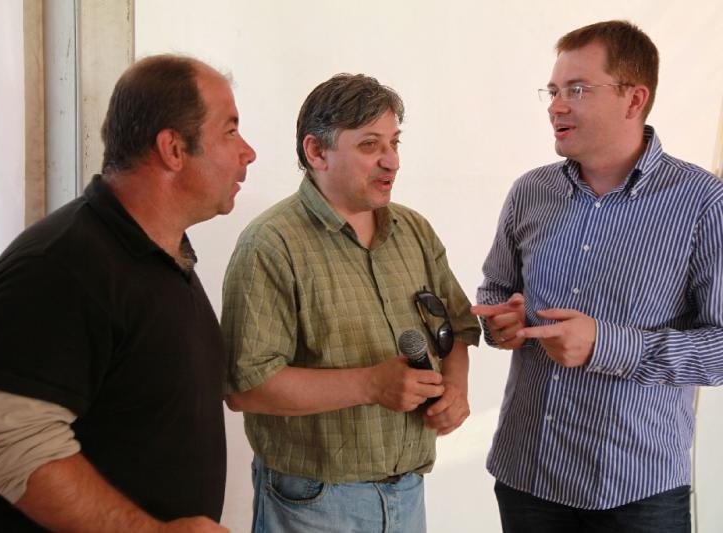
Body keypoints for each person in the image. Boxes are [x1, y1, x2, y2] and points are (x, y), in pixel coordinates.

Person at [0, 54, 256, 532]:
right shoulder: (59, 266)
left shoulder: (164, 254)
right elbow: (7, 445)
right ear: (173, 149)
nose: (248, 152)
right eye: (230, 131)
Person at [472, 20, 723, 533]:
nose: (556, 106)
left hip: (636, 491)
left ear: (634, 99)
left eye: (577, 90)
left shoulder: (705, 204)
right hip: (526, 477)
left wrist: (606, 345)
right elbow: (496, 289)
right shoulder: (530, 192)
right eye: (553, 91)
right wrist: (500, 322)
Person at [221, 73, 481, 533]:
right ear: (316, 152)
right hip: (314, 504)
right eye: (369, 145)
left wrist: (456, 389)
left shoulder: (414, 231)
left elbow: (458, 328)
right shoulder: (270, 244)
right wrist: (369, 385)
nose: (391, 161)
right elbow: (247, 388)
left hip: (409, 494)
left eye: (394, 143)